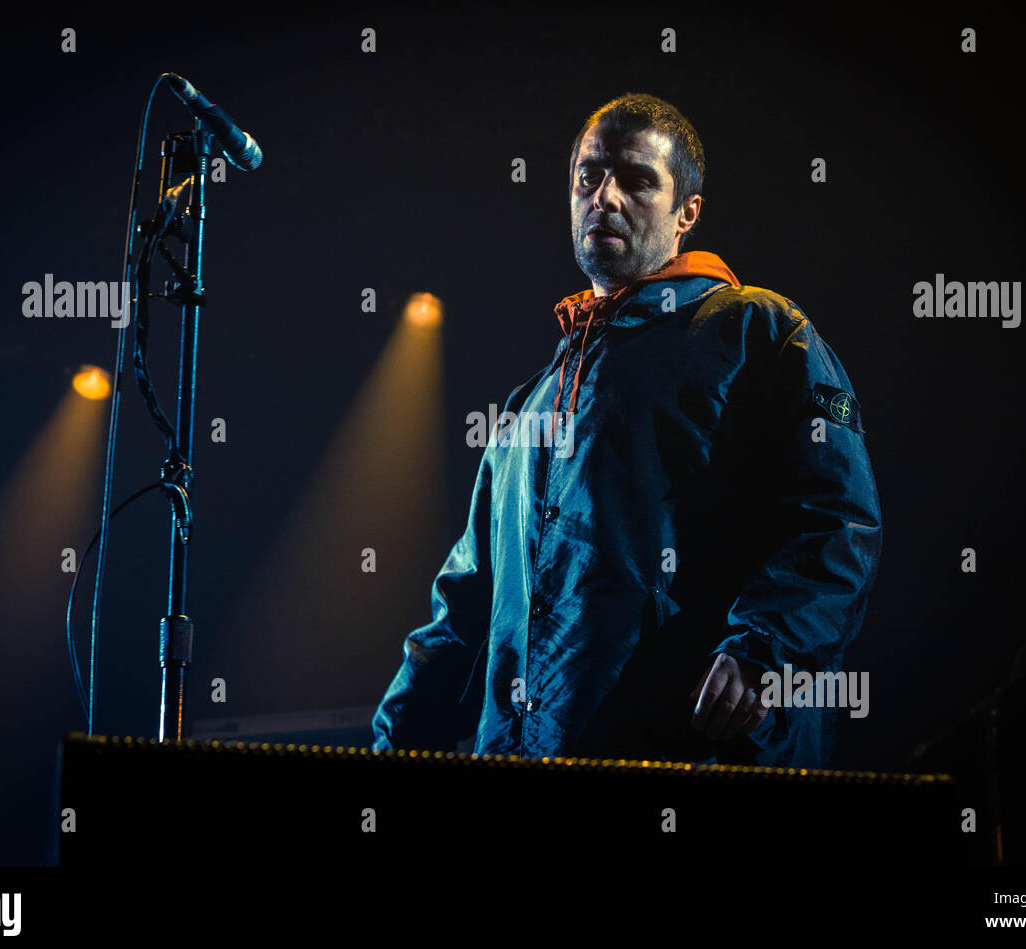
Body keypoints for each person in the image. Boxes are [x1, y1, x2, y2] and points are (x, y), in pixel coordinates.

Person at [371, 92, 882, 768]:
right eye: (589, 175)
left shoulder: (759, 331)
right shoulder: (530, 404)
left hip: (690, 763)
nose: (604, 196)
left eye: (637, 179)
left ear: (686, 213)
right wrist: (389, 746)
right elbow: (466, 608)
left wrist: (763, 650)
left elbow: (838, 518)